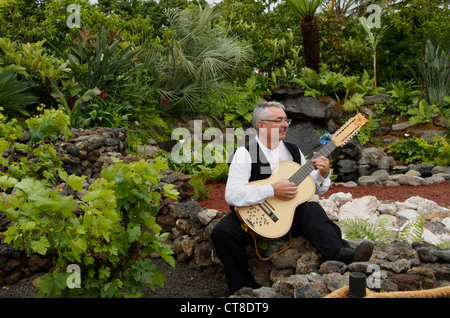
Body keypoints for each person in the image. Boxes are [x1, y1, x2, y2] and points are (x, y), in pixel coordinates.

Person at [211, 101, 373, 295]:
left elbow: (311, 188)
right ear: (261, 125)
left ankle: (342, 253)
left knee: (312, 209)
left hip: (289, 216)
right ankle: (243, 289)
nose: (286, 124)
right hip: (255, 216)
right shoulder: (245, 153)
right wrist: (272, 189)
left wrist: (322, 175)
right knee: (222, 232)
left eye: (286, 119)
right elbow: (232, 194)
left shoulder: (293, 151)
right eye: (278, 120)